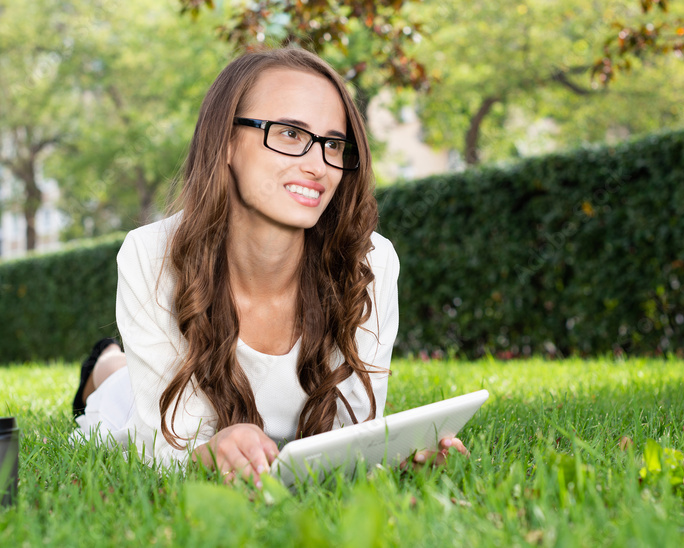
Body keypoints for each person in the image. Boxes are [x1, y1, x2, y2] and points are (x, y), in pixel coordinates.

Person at [71, 47, 466, 487]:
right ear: (223, 142)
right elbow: (165, 448)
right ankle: (104, 362)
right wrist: (208, 451)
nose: (318, 165)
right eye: (290, 134)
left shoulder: (369, 260)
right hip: (133, 397)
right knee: (117, 391)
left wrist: (392, 458)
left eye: (333, 143)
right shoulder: (151, 254)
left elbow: (354, 433)